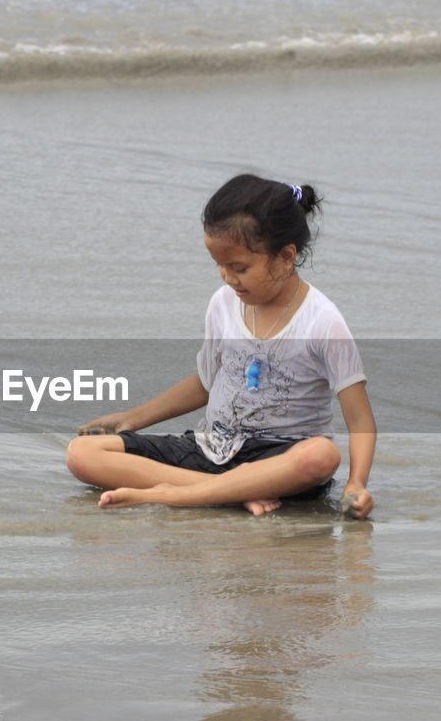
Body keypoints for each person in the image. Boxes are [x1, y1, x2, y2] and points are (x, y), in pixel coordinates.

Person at [66, 173, 376, 518]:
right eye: (220, 265)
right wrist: (132, 418)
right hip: (210, 449)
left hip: (276, 463)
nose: (228, 278)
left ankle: (180, 493)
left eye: (239, 267)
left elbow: (359, 415)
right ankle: (228, 493)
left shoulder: (323, 322)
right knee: (83, 453)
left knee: (322, 456)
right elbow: (207, 382)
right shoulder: (223, 303)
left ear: (286, 256)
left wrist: (356, 483)